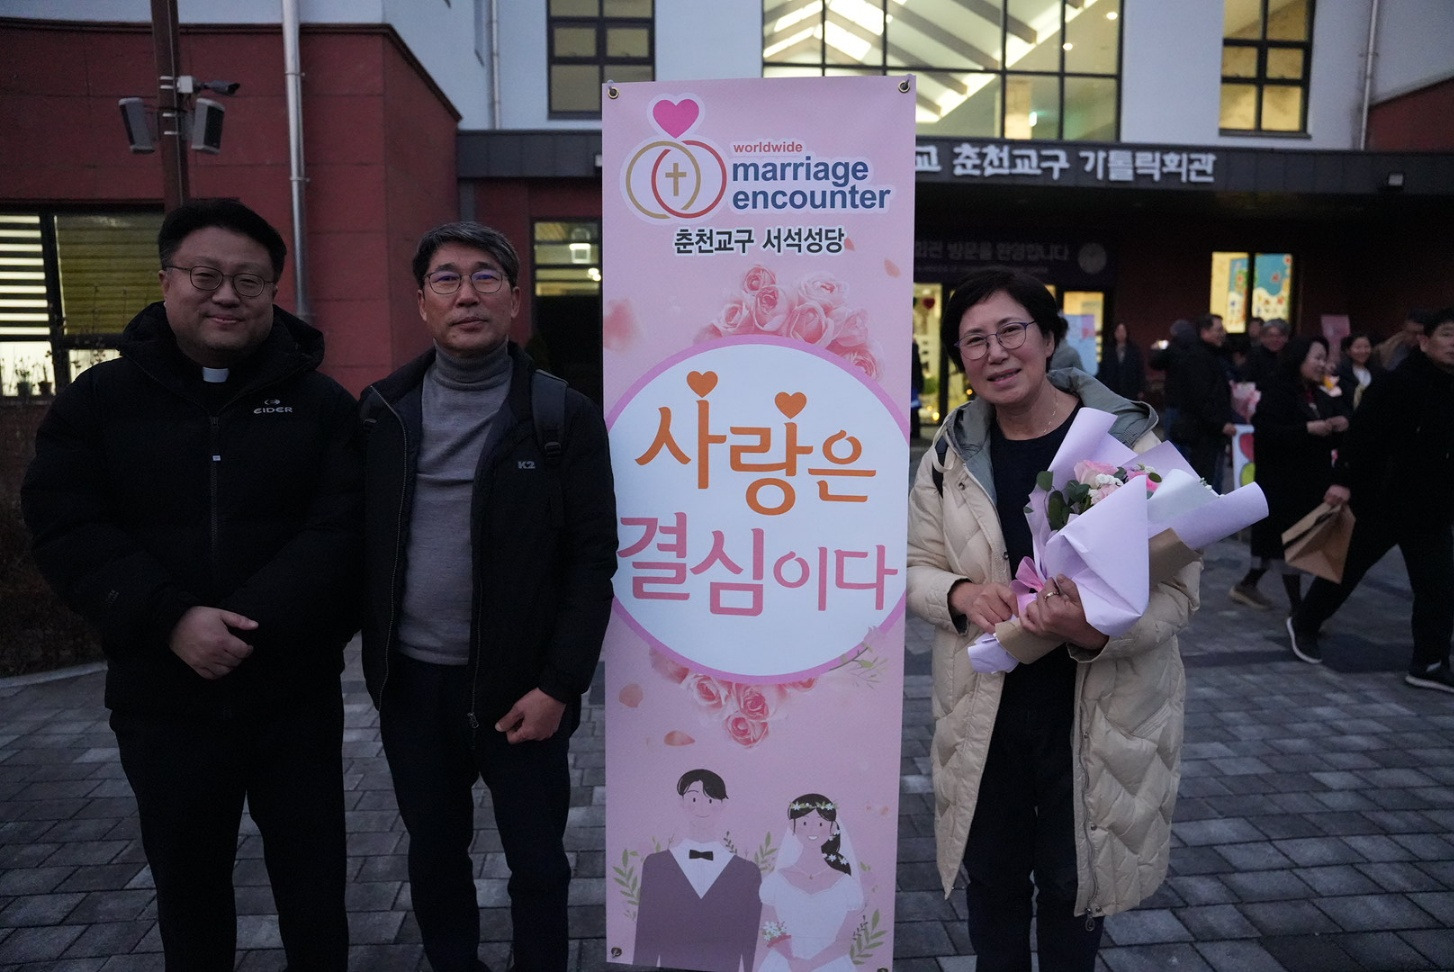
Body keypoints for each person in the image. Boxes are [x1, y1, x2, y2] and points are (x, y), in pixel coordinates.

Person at [21, 199, 359, 970]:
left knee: (314, 888)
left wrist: (244, 624)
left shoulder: (321, 406)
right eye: (205, 276)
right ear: (167, 280)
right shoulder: (98, 402)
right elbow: (68, 526)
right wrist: (172, 619)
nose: (226, 296)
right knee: (187, 890)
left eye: (249, 280)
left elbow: (342, 533)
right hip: (161, 696)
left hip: (292, 697)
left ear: (273, 290)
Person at [906, 266, 1200, 972]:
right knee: (993, 884)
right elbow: (914, 563)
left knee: (1075, 890)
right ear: (960, 358)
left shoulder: (1126, 442)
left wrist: (1095, 632)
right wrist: (960, 594)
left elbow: (1180, 587)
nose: (996, 352)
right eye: (974, 340)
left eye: (1011, 330)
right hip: (985, 710)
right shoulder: (950, 452)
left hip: (1099, 711)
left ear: (1048, 338)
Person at [359, 221, 618, 971]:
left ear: (513, 300)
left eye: (484, 277)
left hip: (523, 690)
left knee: (538, 864)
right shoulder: (381, 412)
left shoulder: (560, 414)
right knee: (435, 855)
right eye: (446, 278)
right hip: (414, 687)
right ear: (422, 303)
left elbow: (593, 559)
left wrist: (558, 685)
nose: (466, 294)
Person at [1288, 309, 1454, 692]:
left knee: (1438, 585)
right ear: (1424, 341)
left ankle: (1429, 662)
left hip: (1432, 506)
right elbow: (1363, 436)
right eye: (1447, 334)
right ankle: (1304, 623)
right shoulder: (1397, 383)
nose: (1453, 344)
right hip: (1382, 498)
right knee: (1347, 569)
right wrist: (1343, 480)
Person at [1230, 337, 1348, 614]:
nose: (1322, 364)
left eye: (1324, 358)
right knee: (1289, 542)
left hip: (1312, 481)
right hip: (1282, 482)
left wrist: (1340, 425)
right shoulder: (1278, 392)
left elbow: (1328, 434)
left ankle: (1248, 585)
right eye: (1316, 358)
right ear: (1299, 359)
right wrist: (1307, 429)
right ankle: (1299, 610)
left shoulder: (1319, 393)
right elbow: (1267, 434)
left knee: (1284, 543)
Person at [634, 769, 763, 971]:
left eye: (710, 800)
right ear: (681, 802)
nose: (702, 807)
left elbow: (753, 939)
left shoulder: (747, 873)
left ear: (723, 804)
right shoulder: (656, 865)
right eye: (693, 799)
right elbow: (646, 933)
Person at [758, 793, 864, 972]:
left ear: (832, 828)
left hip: (832, 965)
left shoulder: (847, 886)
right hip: (784, 964)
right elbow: (769, 928)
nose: (812, 829)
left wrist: (809, 965)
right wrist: (792, 960)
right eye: (805, 823)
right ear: (792, 826)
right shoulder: (775, 883)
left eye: (820, 823)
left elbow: (845, 941)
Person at [1167, 313, 1236, 487]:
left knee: (1211, 478)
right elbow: (1201, 398)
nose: (1223, 334)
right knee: (1205, 479)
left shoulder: (1212, 355)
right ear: (1205, 332)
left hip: (1210, 431)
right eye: (1218, 330)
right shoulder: (1198, 358)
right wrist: (1219, 424)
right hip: (1203, 433)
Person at [1095, 321, 1144, 400]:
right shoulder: (1108, 350)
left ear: (1127, 333)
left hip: (1130, 388)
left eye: (1123, 331)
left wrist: (1141, 389)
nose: (1120, 334)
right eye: (1118, 331)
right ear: (1114, 333)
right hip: (1112, 387)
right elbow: (1103, 369)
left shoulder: (1134, 350)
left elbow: (1140, 370)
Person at [1334, 331, 1384, 409]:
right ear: (1348, 350)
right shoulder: (1338, 373)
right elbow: (1334, 399)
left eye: (1366, 347)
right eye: (1358, 347)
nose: (1363, 351)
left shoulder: (1378, 372)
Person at [1239, 317, 1289, 390]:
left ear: (1286, 338)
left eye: (1279, 336)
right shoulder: (1254, 355)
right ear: (1262, 338)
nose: (1275, 339)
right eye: (1270, 336)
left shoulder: (1290, 355)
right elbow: (1248, 382)